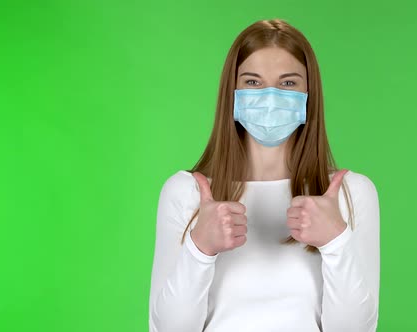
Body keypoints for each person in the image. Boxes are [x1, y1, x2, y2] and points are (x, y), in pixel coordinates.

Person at [148, 18, 380, 332]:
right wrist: (199, 249)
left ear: (309, 94)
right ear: (232, 92)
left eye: (288, 83)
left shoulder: (351, 193)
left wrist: (336, 242)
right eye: (253, 82)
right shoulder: (185, 192)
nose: (270, 97)